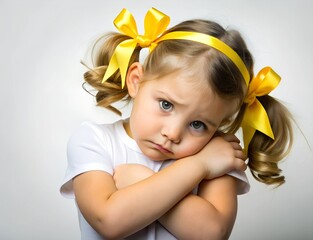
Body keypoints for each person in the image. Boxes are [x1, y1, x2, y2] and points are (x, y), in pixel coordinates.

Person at [60, 7, 293, 240]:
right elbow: (109, 220)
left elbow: (212, 234)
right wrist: (200, 166)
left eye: (198, 125)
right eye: (166, 105)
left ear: (221, 122)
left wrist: (144, 179)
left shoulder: (218, 154)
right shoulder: (94, 140)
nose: (172, 133)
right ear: (136, 81)